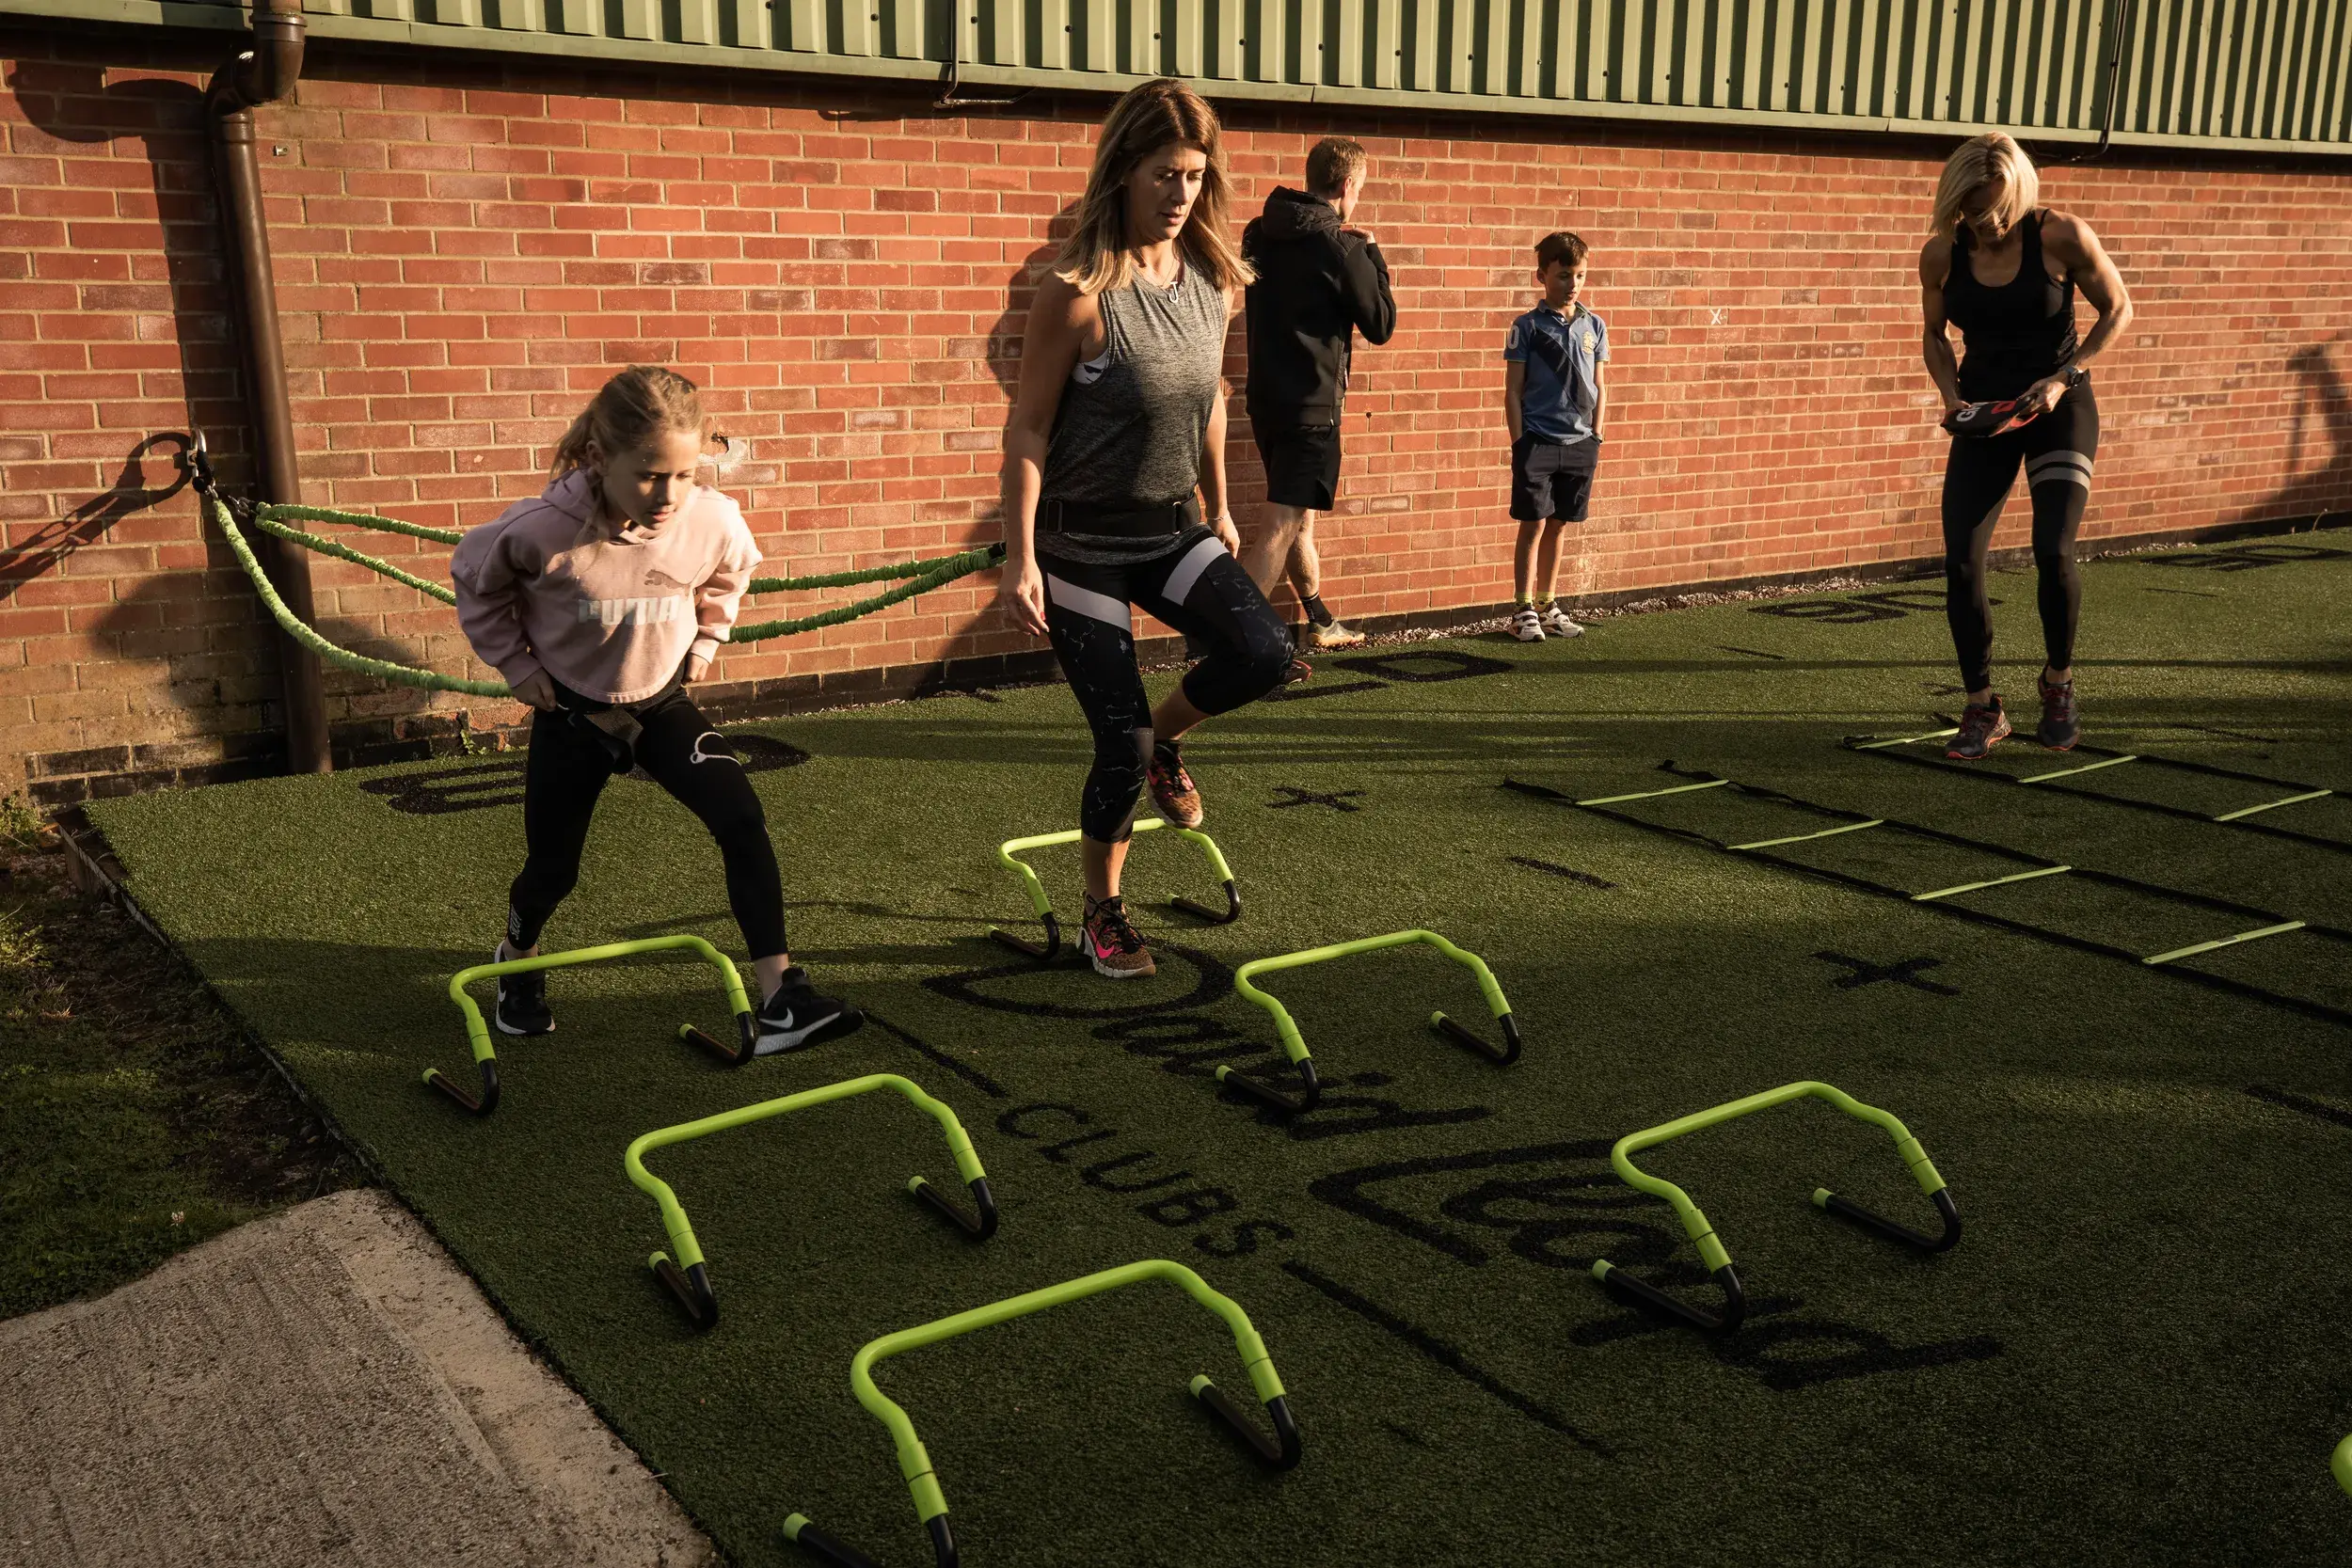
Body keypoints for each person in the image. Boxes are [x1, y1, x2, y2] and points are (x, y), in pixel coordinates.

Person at [451, 365, 863, 1053]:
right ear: (598, 459)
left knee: (741, 816)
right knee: (554, 868)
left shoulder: (711, 516)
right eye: (648, 476)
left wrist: (707, 639)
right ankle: (516, 964)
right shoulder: (541, 529)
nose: (668, 494)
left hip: (661, 703)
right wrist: (518, 667)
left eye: (682, 473)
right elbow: (475, 583)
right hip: (574, 713)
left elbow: (733, 573)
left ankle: (782, 996)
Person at [998, 78, 1292, 981]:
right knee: (1114, 742)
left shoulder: (1214, 281)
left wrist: (1222, 503)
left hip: (1173, 526)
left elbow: (1207, 397)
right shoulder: (1078, 293)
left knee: (1266, 653)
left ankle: (1169, 740)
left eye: (1196, 177)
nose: (1180, 195)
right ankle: (1104, 910)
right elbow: (1029, 428)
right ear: (1123, 170)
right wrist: (1020, 558)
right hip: (1081, 542)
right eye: (1165, 174)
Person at [1920, 132, 2132, 758]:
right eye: (1972, 214)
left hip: (2058, 405)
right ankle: (1983, 706)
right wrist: (1951, 394)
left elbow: (2117, 307)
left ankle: (2058, 682)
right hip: (1988, 412)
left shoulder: (2060, 234)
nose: (1986, 224)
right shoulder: (1939, 255)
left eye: (1996, 212)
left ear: (2018, 191)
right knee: (1961, 560)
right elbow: (1933, 335)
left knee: (2054, 549)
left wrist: (2066, 378)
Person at [1240, 135, 1397, 658]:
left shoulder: (1258, 232)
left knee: (1299, 517)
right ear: (1349, 184)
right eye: (1360, 188)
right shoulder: (1345, 245)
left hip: (1265, 401)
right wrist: (1373, 254)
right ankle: (1244, 651)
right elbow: (1381, 324)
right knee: (1282, 524)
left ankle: (1319, 619)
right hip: (1312, 407)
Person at [1502, 230, 1608, 642]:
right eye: (1564, 275)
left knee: (1560, 524)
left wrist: (1597, 434)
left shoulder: (1595, 326)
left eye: (1580, 275)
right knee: (1532, 525)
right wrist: (1519, 442)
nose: (1573, 284)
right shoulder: (1526, 327)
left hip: (1581, 444)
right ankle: (1522, 609)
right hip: (1537, 442)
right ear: (1541, 276)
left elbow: (1602, 384)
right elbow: (1512, 390)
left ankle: (1547, 604)